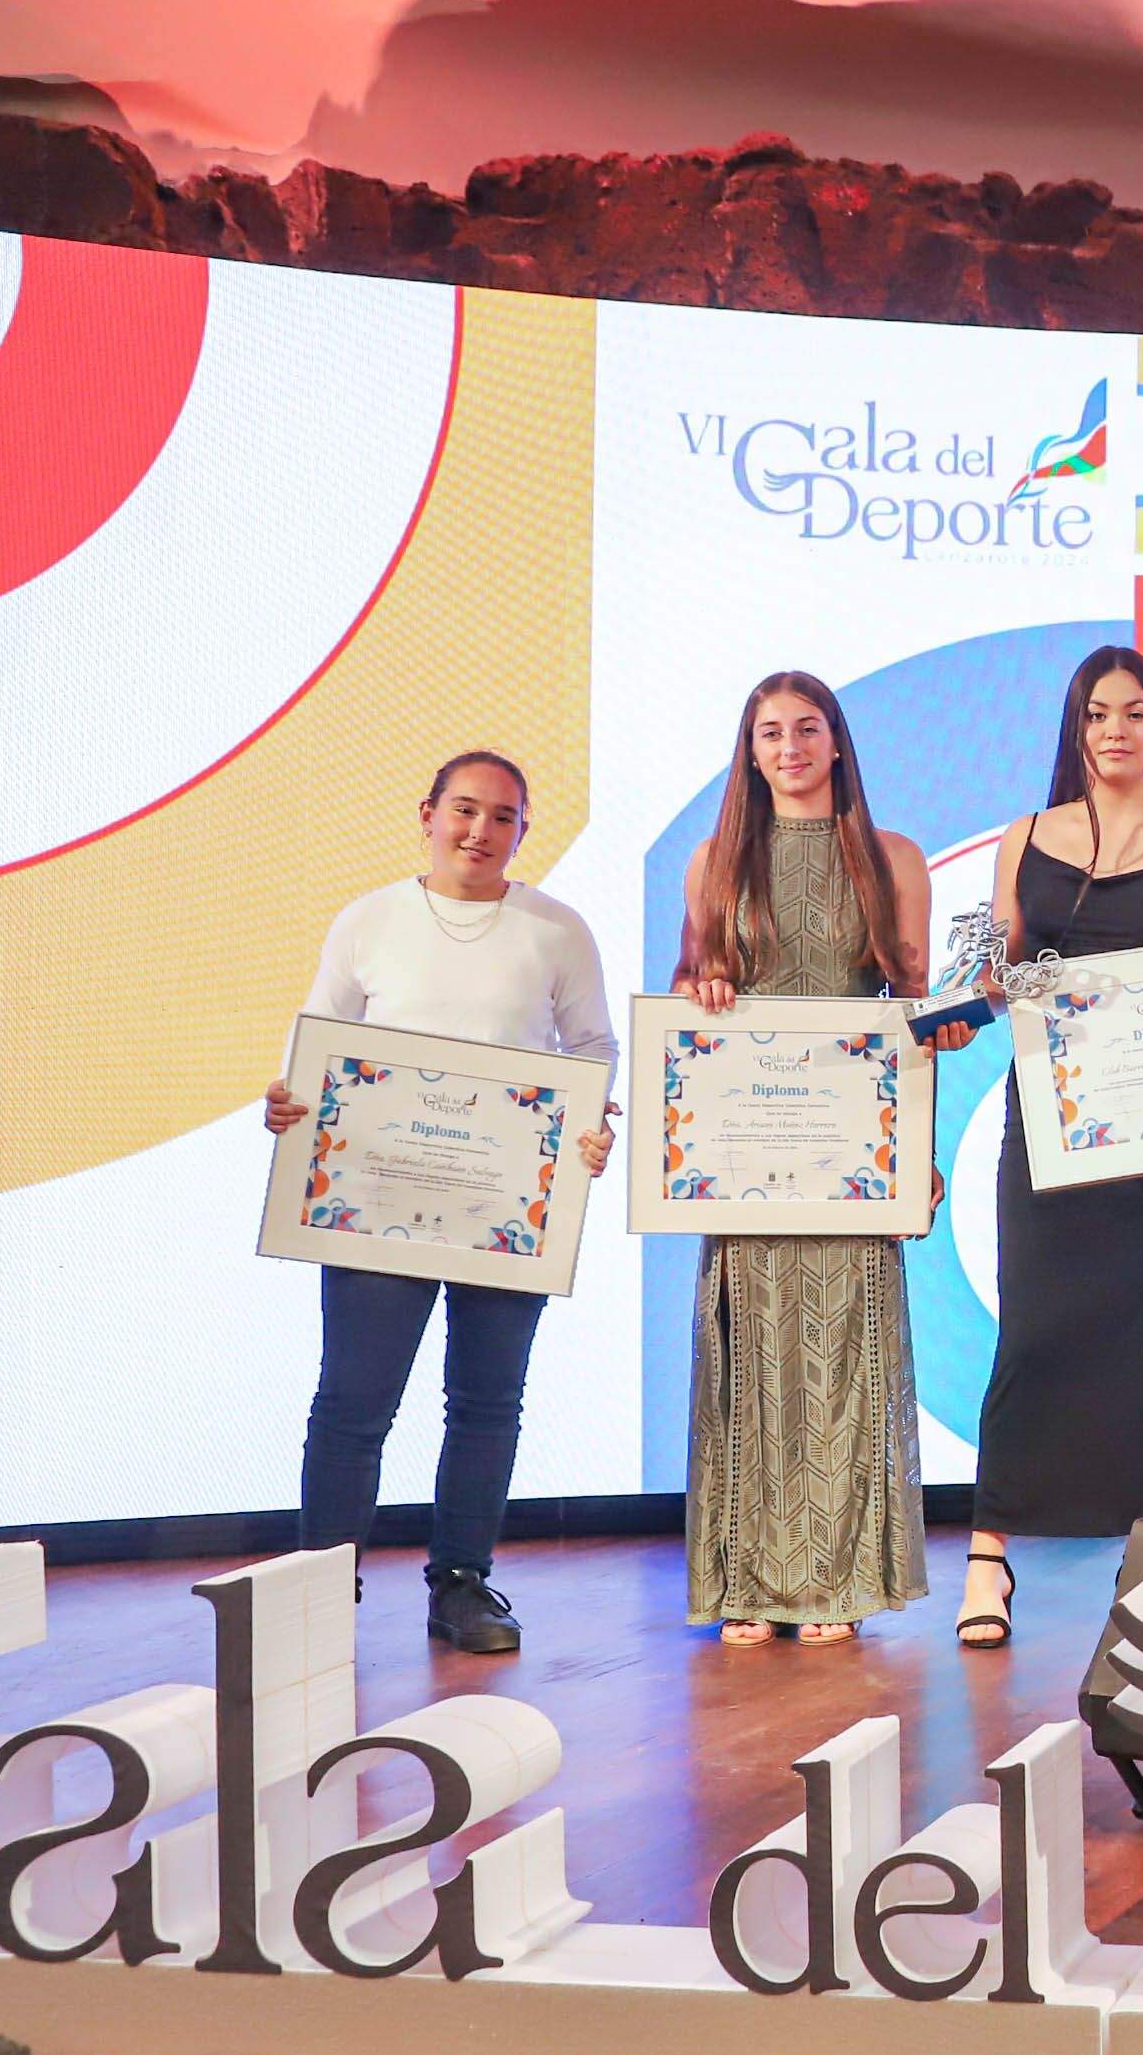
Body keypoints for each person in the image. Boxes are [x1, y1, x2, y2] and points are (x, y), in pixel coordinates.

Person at [263, 748, 617, 1656]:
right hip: (376, 1195)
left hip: (506, 1209)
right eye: (465, 810)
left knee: (488, 1402)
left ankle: (462, 1585)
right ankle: (316, 1592)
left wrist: (587, 1125)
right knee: (353, 1400)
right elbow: (320, 1047)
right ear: (426, 814)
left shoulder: (557, 930)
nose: (480, 831)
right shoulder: (368, 920)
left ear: (523, 832)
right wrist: (291, 1105)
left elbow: (592, 1048)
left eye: (503, 817)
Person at [961, 645, 1143, 1646]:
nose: (1115, 729)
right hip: (1050, 1120)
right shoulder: (1024, 836)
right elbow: (994, 957)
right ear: (1073, 729)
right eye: (1096, 712)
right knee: (1030, 1331)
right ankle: (988, 1559)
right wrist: (974, 978)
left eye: (1133, 712)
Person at [671, 669, 947, 1647]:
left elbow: (913, 1017)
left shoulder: (890, 857)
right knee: (751, 1366)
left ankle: (833, 1582)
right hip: (748, 1151)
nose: (787, 746)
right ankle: (747, 1581)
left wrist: (915, 1154)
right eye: (768, 732)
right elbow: (683, 1006)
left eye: (805, 728)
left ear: (837, 741)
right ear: (749, 752)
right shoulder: (714, 861)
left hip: (848, 1153)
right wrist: (700, 983)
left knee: (841, 1363)